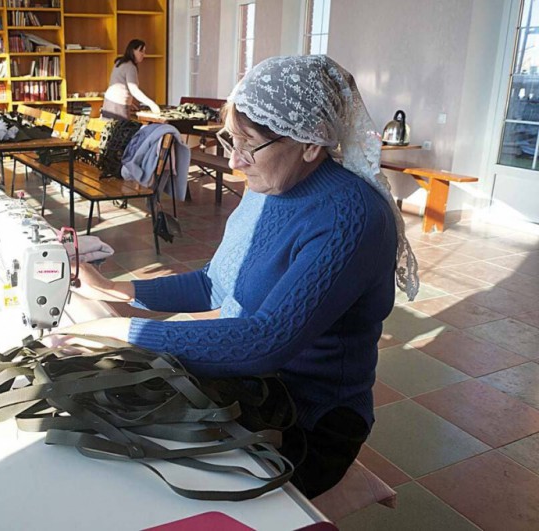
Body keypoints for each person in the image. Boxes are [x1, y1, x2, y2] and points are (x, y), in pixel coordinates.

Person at [61, 55, 419, 499]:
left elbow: (266, 342)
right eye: (232, 139)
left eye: (249, 144)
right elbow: (213, 283)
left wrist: (123, 332)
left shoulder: (352, 217)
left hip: (310, 420)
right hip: (251, 383)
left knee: (145, 475)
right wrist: (116, 289)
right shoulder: (271, 183)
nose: (235, 161)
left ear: (309, 143)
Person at [102, 39, 161, 120]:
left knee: (110, 127)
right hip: (117, 106)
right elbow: (134, 90)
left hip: (109, 102)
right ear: (133, 50)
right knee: (120, 127)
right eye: (141, 51)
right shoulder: (130, 67)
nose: (143, 54)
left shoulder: (120, 62)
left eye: (144, 51)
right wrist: (152, 104)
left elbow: (119, 84)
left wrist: (130, 102)